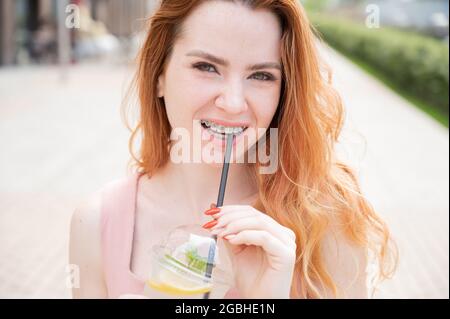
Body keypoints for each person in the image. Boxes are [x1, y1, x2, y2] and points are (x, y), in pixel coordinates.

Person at [69, 0, 397, 299]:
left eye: (261, 75)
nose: (233, 103)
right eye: (206, 67)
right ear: (159, 74)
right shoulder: (97, 223)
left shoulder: (329, 221)